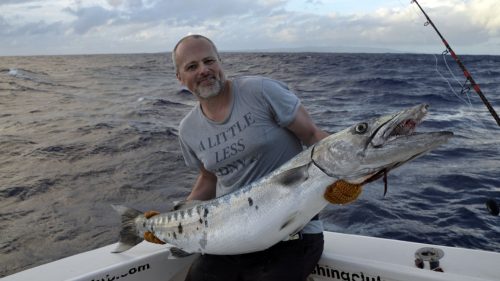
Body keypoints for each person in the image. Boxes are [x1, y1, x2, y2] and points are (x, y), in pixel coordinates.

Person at [171, 34, 329, 281]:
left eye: (209, 61)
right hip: (230, 237)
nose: (204, 70)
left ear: (220, 62)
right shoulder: (188, 129)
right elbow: (208, 178)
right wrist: (176, 215)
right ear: (180, 77)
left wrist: (353, 173)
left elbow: (312, 134)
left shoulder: (261, 91)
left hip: (292, 233)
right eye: (192, 66)